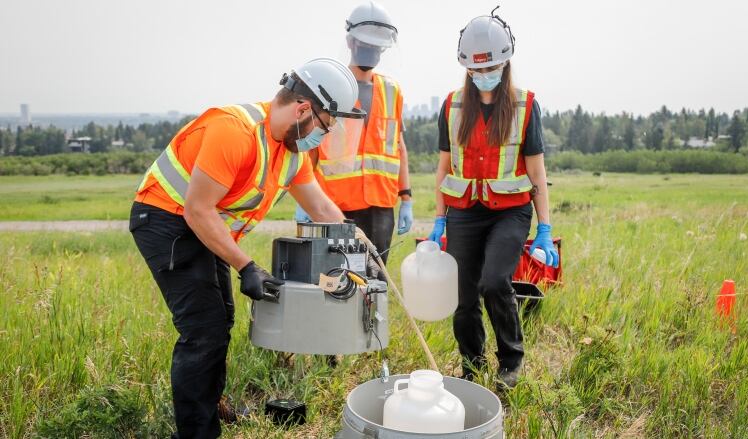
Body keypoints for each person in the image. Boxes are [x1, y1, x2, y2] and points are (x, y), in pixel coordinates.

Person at [130, 58, 363, 438]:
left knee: (221, 320)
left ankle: (209, 404)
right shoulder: (235, 131)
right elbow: (197, 208)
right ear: (303, 108)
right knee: (203, 329)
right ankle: (196, 432)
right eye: (324, 126)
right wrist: (247, 266)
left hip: (202, 226)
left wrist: (357, 245)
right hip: (166, 221)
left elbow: (321, 207)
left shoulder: (290, 153)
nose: (322, 136)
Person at [428, 8, 559, 389]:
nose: (483, 75)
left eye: (491, 67)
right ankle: (471, 367)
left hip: (510, 213)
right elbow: (442, 168)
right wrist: (438, 220)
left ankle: (511, 361)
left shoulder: (525, 105)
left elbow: (537, 173)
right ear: (466, 68)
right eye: (475, 70)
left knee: (494, 280)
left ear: (506, 62)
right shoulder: (452, 106)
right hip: (464, 211)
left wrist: (546, 228)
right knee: (464, 295)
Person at [297, 0, 413, 270]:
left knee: (374, 278)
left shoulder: (392, 90)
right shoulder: (331, 85)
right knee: (335, 278)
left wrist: (406, 197)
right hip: (334, 202)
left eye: (377, 47)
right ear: (350, 42)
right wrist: (305, 197)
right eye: (365, 45)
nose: (371, 52)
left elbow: (398, 145)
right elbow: (310, 146)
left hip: (381, 204)